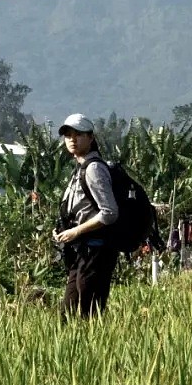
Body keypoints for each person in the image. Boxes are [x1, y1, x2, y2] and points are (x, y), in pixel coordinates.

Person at [52, 113, 119, 319]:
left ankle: (97, 348)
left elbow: (109, 213)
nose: (72, 139)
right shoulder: (79, 169)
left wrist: (76, 231)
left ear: (90, 137)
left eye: (78, 134)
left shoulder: (94, 169)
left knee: (89, 313)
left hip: (96, 250)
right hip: (81, 252)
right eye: (68, 135)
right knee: (67, 314)